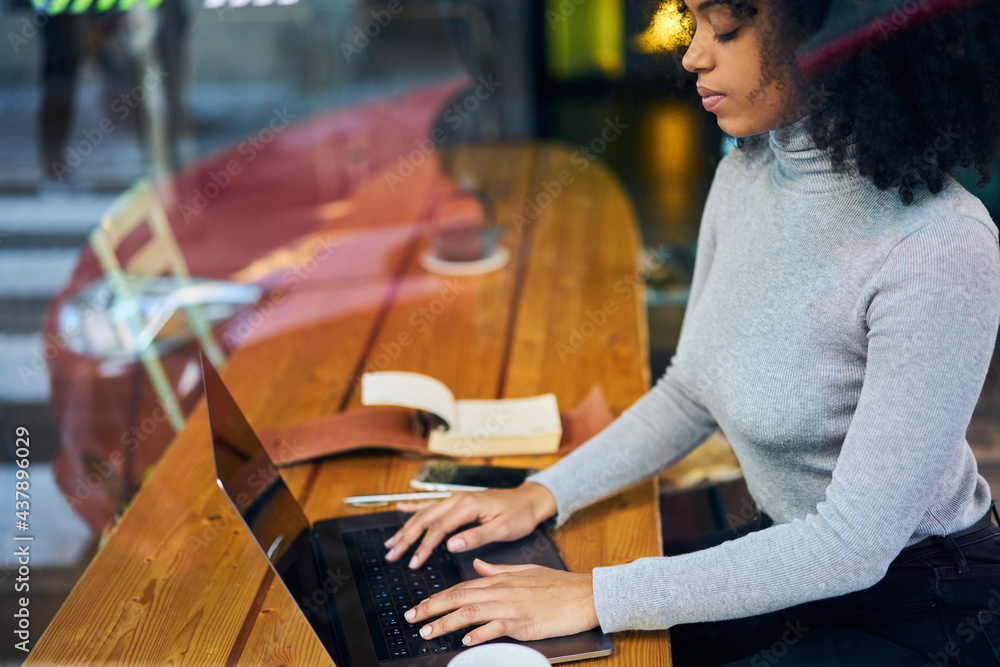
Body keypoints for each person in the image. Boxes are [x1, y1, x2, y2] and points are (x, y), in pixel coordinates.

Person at [381, 0, 1000, 664]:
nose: (693, 55)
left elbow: (851, 546)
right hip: (788, 559)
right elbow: (689, 393)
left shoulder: (943, 246)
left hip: (916, 602)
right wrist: (541, 494)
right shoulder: (743, 174)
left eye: (726, 30)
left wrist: (593, 595)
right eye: (695, 24)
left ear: (832, 39)